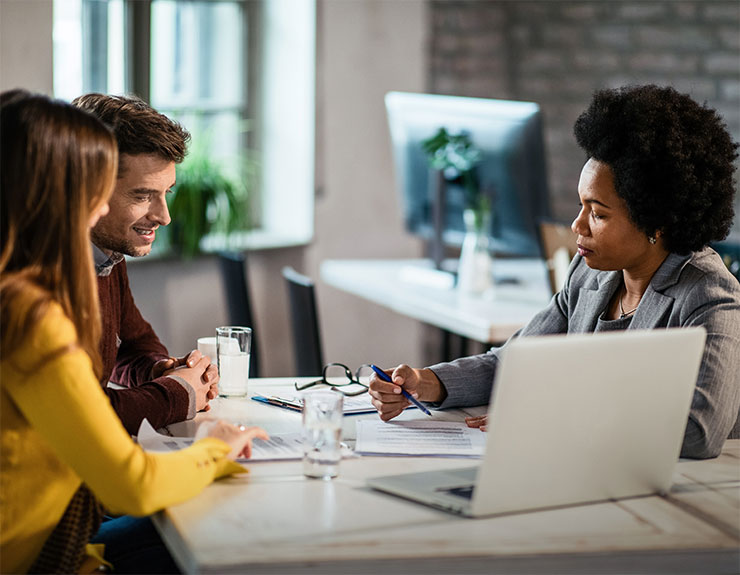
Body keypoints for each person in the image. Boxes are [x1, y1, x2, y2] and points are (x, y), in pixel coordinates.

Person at [369, 85, 740, 460]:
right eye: (581, 206)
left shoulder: (709, 296)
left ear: (656, 222)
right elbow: (515, 362)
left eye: (598, 214)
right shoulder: (590, 273)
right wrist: (425, 383)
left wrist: (551, 416)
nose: (577, 226)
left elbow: (699, 431)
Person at [0, 90, 268, 574]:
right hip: (41, 553)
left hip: (53, 526)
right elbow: (131, 485)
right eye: (98, 187)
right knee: (229, 531)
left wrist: (168, 376)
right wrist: (217, 444)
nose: (162, 216)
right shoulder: (28, 315)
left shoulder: (35, 282)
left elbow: (129, 348)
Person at [69, 93, 217, 435]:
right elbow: (85, 417)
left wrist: (162, 370)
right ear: (87, 188)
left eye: (167, 192)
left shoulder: (108, 254)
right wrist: (179, 394)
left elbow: (133, 346)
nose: (163, 217)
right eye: (142, 195)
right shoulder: (37, 277)